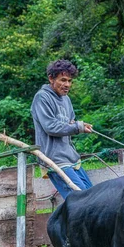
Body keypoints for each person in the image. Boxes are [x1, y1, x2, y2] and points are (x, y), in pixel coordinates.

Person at [31, 59, 93, 199]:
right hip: (55, 160)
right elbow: (50, 127)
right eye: (63, 80)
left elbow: (69, 124)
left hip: (71, 158)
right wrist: (77, 127)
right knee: (81, 200)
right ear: (51, 78)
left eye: (70, 81)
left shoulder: (66, 99)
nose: (67, 85)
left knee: (92, 196)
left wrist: (78, 125)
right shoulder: (42, 97)